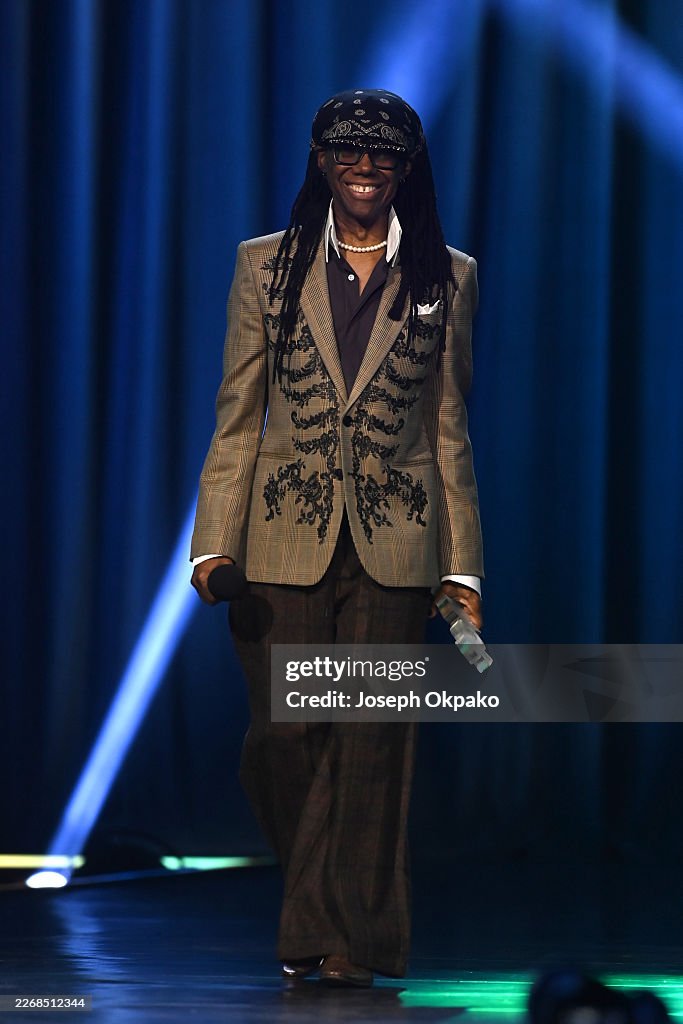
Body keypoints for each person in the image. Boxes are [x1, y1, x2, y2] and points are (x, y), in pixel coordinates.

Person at [190, 89, 484, 987]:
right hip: (280, 535)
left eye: (383, 157)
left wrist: (463, 566)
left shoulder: (449, 274)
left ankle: (351, 942)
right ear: (321, 160)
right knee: (283, 735)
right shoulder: (265, 266)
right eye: (349, 155)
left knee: (373, 743)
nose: (365, 170)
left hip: (398, 542)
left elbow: (449, 429)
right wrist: (212, 544)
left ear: (406, 167)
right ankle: (321, 908)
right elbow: (238, 415)